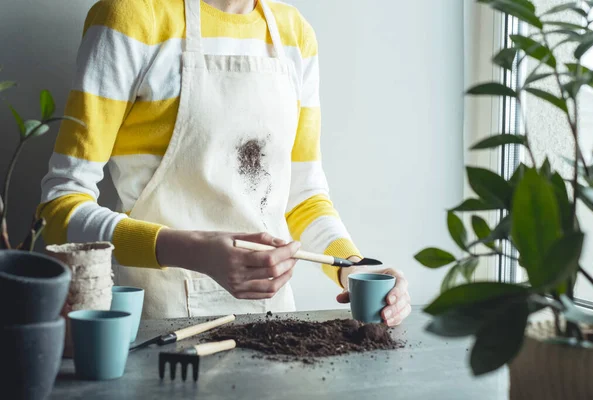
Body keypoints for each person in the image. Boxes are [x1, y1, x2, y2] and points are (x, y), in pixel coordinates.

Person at [38, 0, 411, 324]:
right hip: (159, 329)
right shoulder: (131, 18)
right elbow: (59, 212)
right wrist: (194, 250)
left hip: (275, 325)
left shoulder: (294, 34)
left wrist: (354, 268)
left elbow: (303, 196)